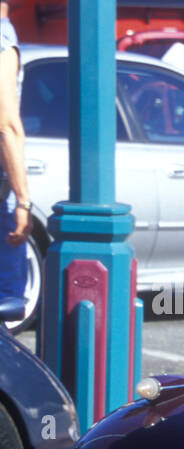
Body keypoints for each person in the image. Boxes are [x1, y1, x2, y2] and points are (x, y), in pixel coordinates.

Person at [0, 1, 32, 315]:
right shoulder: (2, 37)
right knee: (7, 302)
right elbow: (6, 123)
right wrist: (23, 201)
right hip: (1, 193)